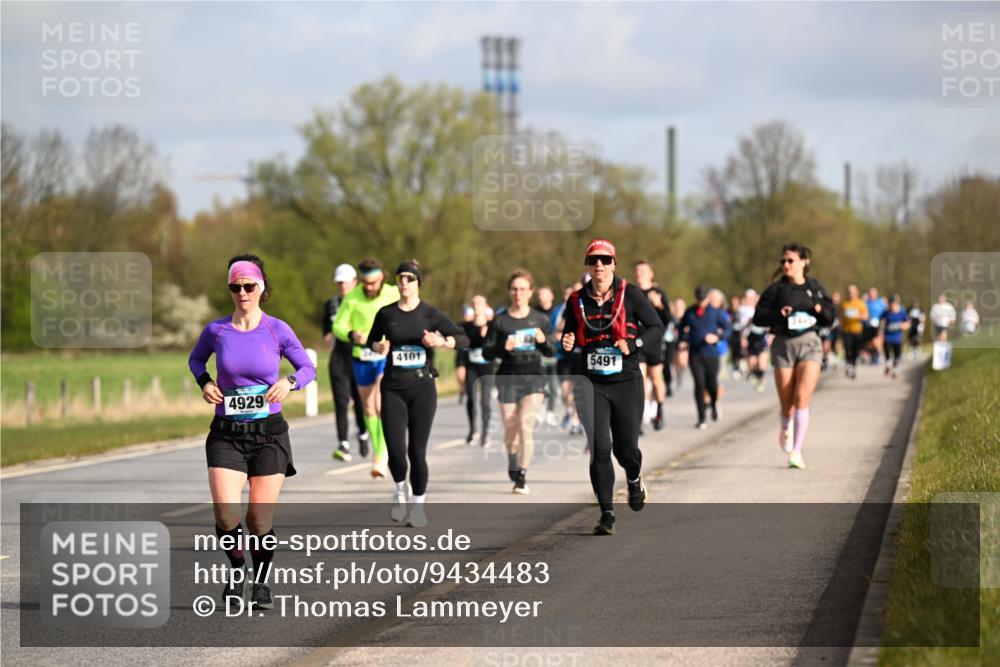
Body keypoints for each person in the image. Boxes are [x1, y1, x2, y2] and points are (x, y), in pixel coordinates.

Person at [189, 254, 317, 611]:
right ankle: (236, 571)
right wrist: (205, 382)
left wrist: (290, 381)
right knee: (227, 516)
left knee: (258, 520)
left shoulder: (277, 329)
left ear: (261, 288)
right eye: (235, 286)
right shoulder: (217, 331)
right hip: (226, 434)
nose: (242, 292)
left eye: (248, 285)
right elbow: (195, 360)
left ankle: (260, 582)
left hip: (269, 435)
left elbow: (307, 367)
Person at [561, 238, 663, 536]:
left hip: (626, 381)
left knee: (626, 448)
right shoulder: (576, 300)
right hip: (591, 382)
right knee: (600, 449)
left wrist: (635, 343)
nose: (600, 266)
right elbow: (570, 334)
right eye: (594, 261)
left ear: (614, 264)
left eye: (605, 260)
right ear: (588, 266)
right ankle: (606, 514)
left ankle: (634, 478)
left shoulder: (630, 295)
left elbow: (657, 328)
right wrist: (566, 341)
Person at [367, 260, 468, 527]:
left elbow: (463, 338)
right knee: (396, 450)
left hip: (422, 387)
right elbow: (372, 340)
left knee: (417, 451)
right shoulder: (386, 314)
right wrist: (378, 347)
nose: (404, 283)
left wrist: (441, 341)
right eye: (401, 278)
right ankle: (400, 492)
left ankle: (419, 507)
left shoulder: (431, 314)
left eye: (410, 278)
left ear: (418, 283)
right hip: (393, 388)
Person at [753, 243, 835, 469]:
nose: (786, 265)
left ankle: (797, 452)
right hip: (783, 345)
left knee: (802, 397)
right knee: (787, 403)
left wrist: (819, 309)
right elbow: (758, 318)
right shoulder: (775, 290)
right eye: (783, 261)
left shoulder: (815, 288)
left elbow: (831, 317)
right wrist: (778, 314)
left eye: (790, 260)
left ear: (803, 262)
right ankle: (785, 426)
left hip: (810, 343)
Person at [484, 269, 555, 494]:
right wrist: (500, 348)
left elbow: (552, 351)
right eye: (514, 289)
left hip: (533, 375)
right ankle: (513, 457)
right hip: (507, 376)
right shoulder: (500, 321)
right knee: (510, 427)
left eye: (523, 289)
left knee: (525, 425)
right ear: (509, 291)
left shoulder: (540, 319)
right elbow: (486, 353)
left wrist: (543, 342)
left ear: (530, 292)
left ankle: (522, 476)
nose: (518, 293)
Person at [332, 259, 401, 478]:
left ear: (382, 278)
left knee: (379, 403)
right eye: (365, 283)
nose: (369, 287)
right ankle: (378, 448)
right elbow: (338, 326)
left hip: (385, 356)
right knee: (368, 408)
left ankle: (381, 454)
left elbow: (407, 314)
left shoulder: (393, 294)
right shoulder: (352, 297)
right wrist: (352, 335)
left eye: (373, 283)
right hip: (361, 356)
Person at [323, 263, 369, 462]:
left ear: (355, 282)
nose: (342, 286)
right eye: (339, 282)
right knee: (341, 402)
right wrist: (327, 336)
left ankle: (363, 433)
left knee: (360, 402)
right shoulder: (331, 304)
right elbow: (326, 330)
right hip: (339, 358)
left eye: (345, 282)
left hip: (359, 356)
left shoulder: (362, 301)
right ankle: (343, 443)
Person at [678, 287, 731, 430]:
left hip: (711, 354)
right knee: (699, 384)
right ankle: (701, 417)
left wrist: (717, 337)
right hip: (695, 354)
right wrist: (683, 340)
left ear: (707, 298)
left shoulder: (716, 313)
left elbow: (728, 329)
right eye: (699, 299)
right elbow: (681, 328)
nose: (701, 301)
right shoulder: (690, 312)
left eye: (703, 298)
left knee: (711, 384)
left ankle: (713, 403)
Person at [634, 260, 671, 431]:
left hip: (655, 342)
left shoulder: (658, 292)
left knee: (656, 379)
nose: (639, 273)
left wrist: (659, 305)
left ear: (651, 273)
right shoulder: (632, 292)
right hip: (638, 341)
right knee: (640, 380)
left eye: (643, 270)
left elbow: (667, 319)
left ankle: (659, 411)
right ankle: (640, 417)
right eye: (637, 270)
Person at [461, 295, 496, 447]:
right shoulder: (466, 326)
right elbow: (462, 346)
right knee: (471, 399)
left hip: (487, 367)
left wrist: (486, 337)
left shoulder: (491, 325)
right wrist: (460, 366)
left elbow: (495, 345)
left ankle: (486, 433)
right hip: (472, 366)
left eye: (479, 303)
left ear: (485, 306)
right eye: (474, 303)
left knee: (485, 401)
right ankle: (473, 430)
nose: (476, 306)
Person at [553, 282, 585, 435]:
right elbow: (558, 329)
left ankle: (576, 421)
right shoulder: (565, 310)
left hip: (579, 356)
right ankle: (570, 410)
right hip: (564, 356)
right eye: (566, 294)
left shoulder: (584, 307)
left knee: (578, 391)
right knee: (565, 391)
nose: (568, 296)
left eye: (570, 293)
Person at [535, 286, 561, 426]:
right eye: (539, 295)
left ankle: (550, 411)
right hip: (539, 353)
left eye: (545, 295)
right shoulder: (534, 312)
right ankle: (541, 408)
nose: (541, 298)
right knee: (540, 384)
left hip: (555, 352)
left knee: (554, 386)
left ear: (551, 296)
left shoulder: (557, 312)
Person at [838, 285, 868, 379]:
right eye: (849, 293)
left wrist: (857, 315)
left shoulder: (860, 303)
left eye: (853, 293)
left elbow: (866, 316)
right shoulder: (843, 303)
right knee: (847, 348)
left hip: (857, 330)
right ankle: (849, 365)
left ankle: (853, 365)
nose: (851, 295)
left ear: (856, 293)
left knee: (855, 349)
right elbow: (840, 315)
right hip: (846, 330)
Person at [743, 290, 768, 391]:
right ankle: (753, 374)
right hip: (751, 337)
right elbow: (744, 326)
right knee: (752, 362)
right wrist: (743, 338)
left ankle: (761, 380)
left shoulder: (763, 309)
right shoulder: (744, 309)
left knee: (762, 362)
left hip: (762, 337)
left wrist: (770, 336)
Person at [881, 295, 909, 379]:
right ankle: (888, 363)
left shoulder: (902, 313)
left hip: (897, 337)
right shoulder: (886, 313)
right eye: (891, 304)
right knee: (886, 349)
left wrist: (902, 326)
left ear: (897, 304)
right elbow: (881, 321)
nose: (892, 306)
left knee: (897, 354)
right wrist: (880, 331)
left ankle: (895, 369)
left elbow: (907, 324)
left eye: (894, 304)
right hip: (888, 336)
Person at [863, 287, 887, 365]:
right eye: (870, 294)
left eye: (873, 294)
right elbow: (864, 313)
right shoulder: (866, 303)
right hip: (869, 325)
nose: (872, 295)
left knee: (877, 340)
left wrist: (883, 323)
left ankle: (879, 355)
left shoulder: (880, 302)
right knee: (870, 343)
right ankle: (873, 356)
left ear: (876, 294)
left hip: (879, 324)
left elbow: (885, 312)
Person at [671, 297, 689, 389]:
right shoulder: (672, 317)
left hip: (683, 341)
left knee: (682, 361)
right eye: (677, 305)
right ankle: (677, 375)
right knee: (675, 361)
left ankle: (681, 375)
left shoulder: (687, 317)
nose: (678, 307)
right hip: (673, 341)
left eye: (680, 305)